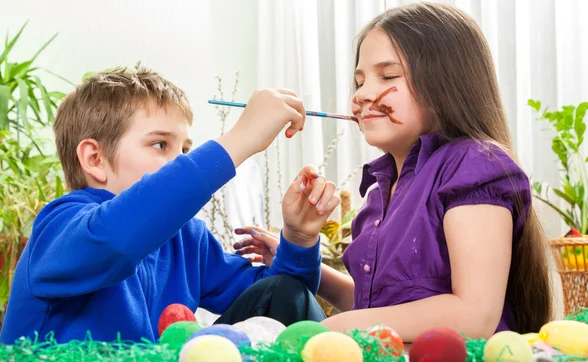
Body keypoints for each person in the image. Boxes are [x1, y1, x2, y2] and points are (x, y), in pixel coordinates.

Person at [233, 2, 552, 341]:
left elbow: (474, 314)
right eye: (359, 81)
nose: (363, 94)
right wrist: (298, 256)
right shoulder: (377, 195)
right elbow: (380, 306)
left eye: (387, 76)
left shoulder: (473, 164)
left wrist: (328, 329)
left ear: (448, 82)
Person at [0, 68, 339, 344]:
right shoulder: (58, 228)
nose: (177, 160)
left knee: (284, 291)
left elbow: (281, 305)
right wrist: (240, 139)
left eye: (185, 150)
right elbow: (115, 241)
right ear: (95, 158)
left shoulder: (188, 238)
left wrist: (298, 238)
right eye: (160, 144)